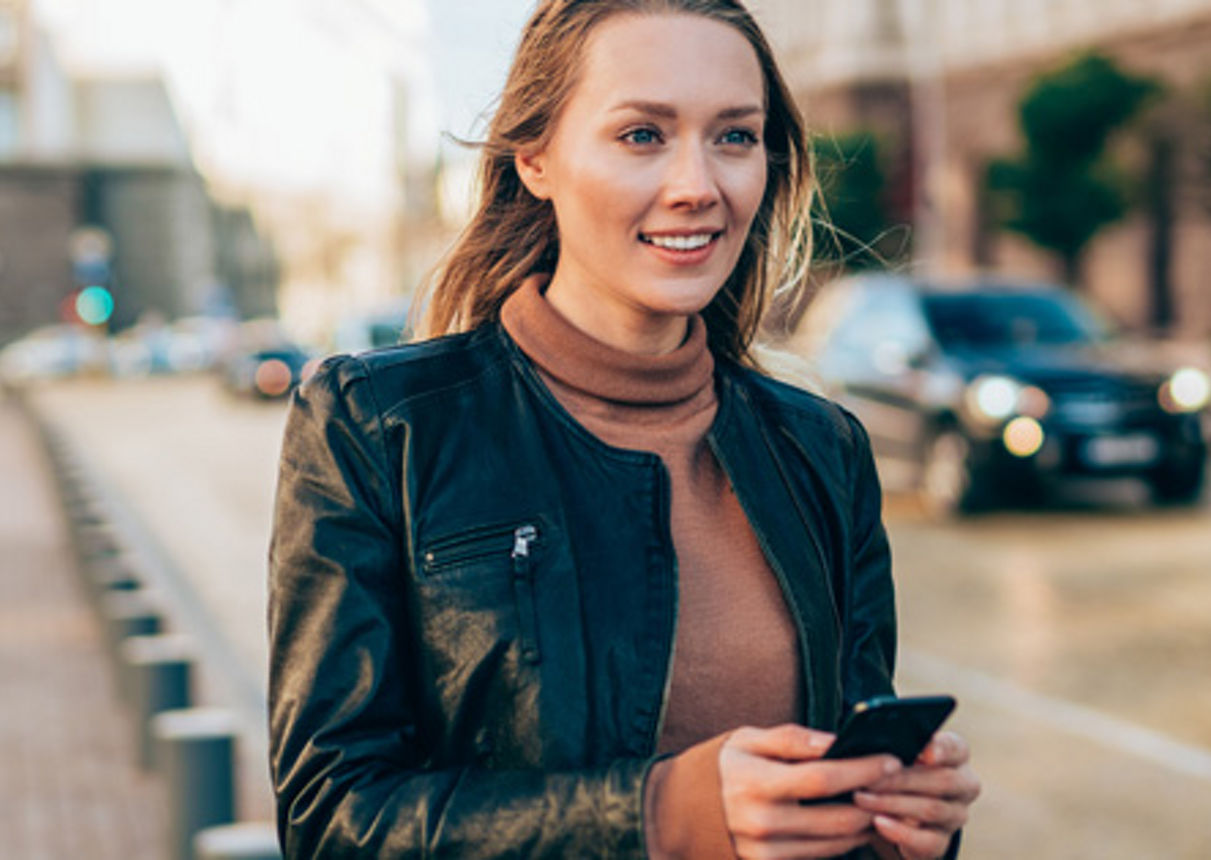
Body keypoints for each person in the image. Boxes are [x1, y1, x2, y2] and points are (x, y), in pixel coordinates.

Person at [267, 1, 981, 857]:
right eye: (643, 135)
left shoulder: (822, 448)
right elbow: (330, 820)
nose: (698, 185)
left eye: (735, 136)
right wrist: (664, 814)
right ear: (535, 158)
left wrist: (901, 825)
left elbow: (839, 776)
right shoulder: (378, 426)